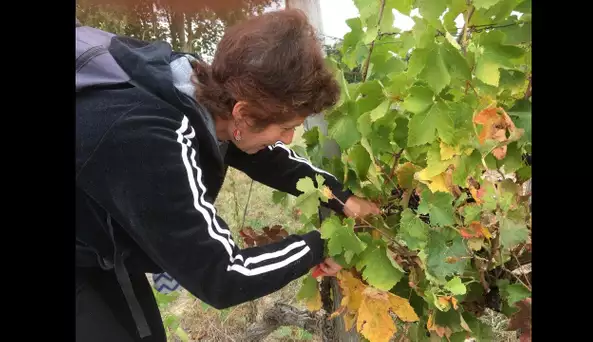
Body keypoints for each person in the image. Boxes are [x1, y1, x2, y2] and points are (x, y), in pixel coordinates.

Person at [75, 9, 380, 342]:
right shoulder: (146, 138)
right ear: (243, 114)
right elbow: (222, 275)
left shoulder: (199, 91)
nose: (290, 139)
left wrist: (341, 196)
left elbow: (268, 156)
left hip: (97, 244)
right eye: (287, 127)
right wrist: (322, 245)